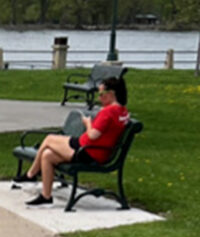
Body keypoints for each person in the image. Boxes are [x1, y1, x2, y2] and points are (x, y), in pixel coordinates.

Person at [13, 76, 130, 206]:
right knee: (47, 154)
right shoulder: (123, 111)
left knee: (49, 139)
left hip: (87, 152)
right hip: (91, 148)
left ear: (111, 94)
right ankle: (46, 196)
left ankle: (31, 174)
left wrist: (87, 123)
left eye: (101, 93)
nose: (98, 97)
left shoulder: (108, 112)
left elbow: (92, 135)